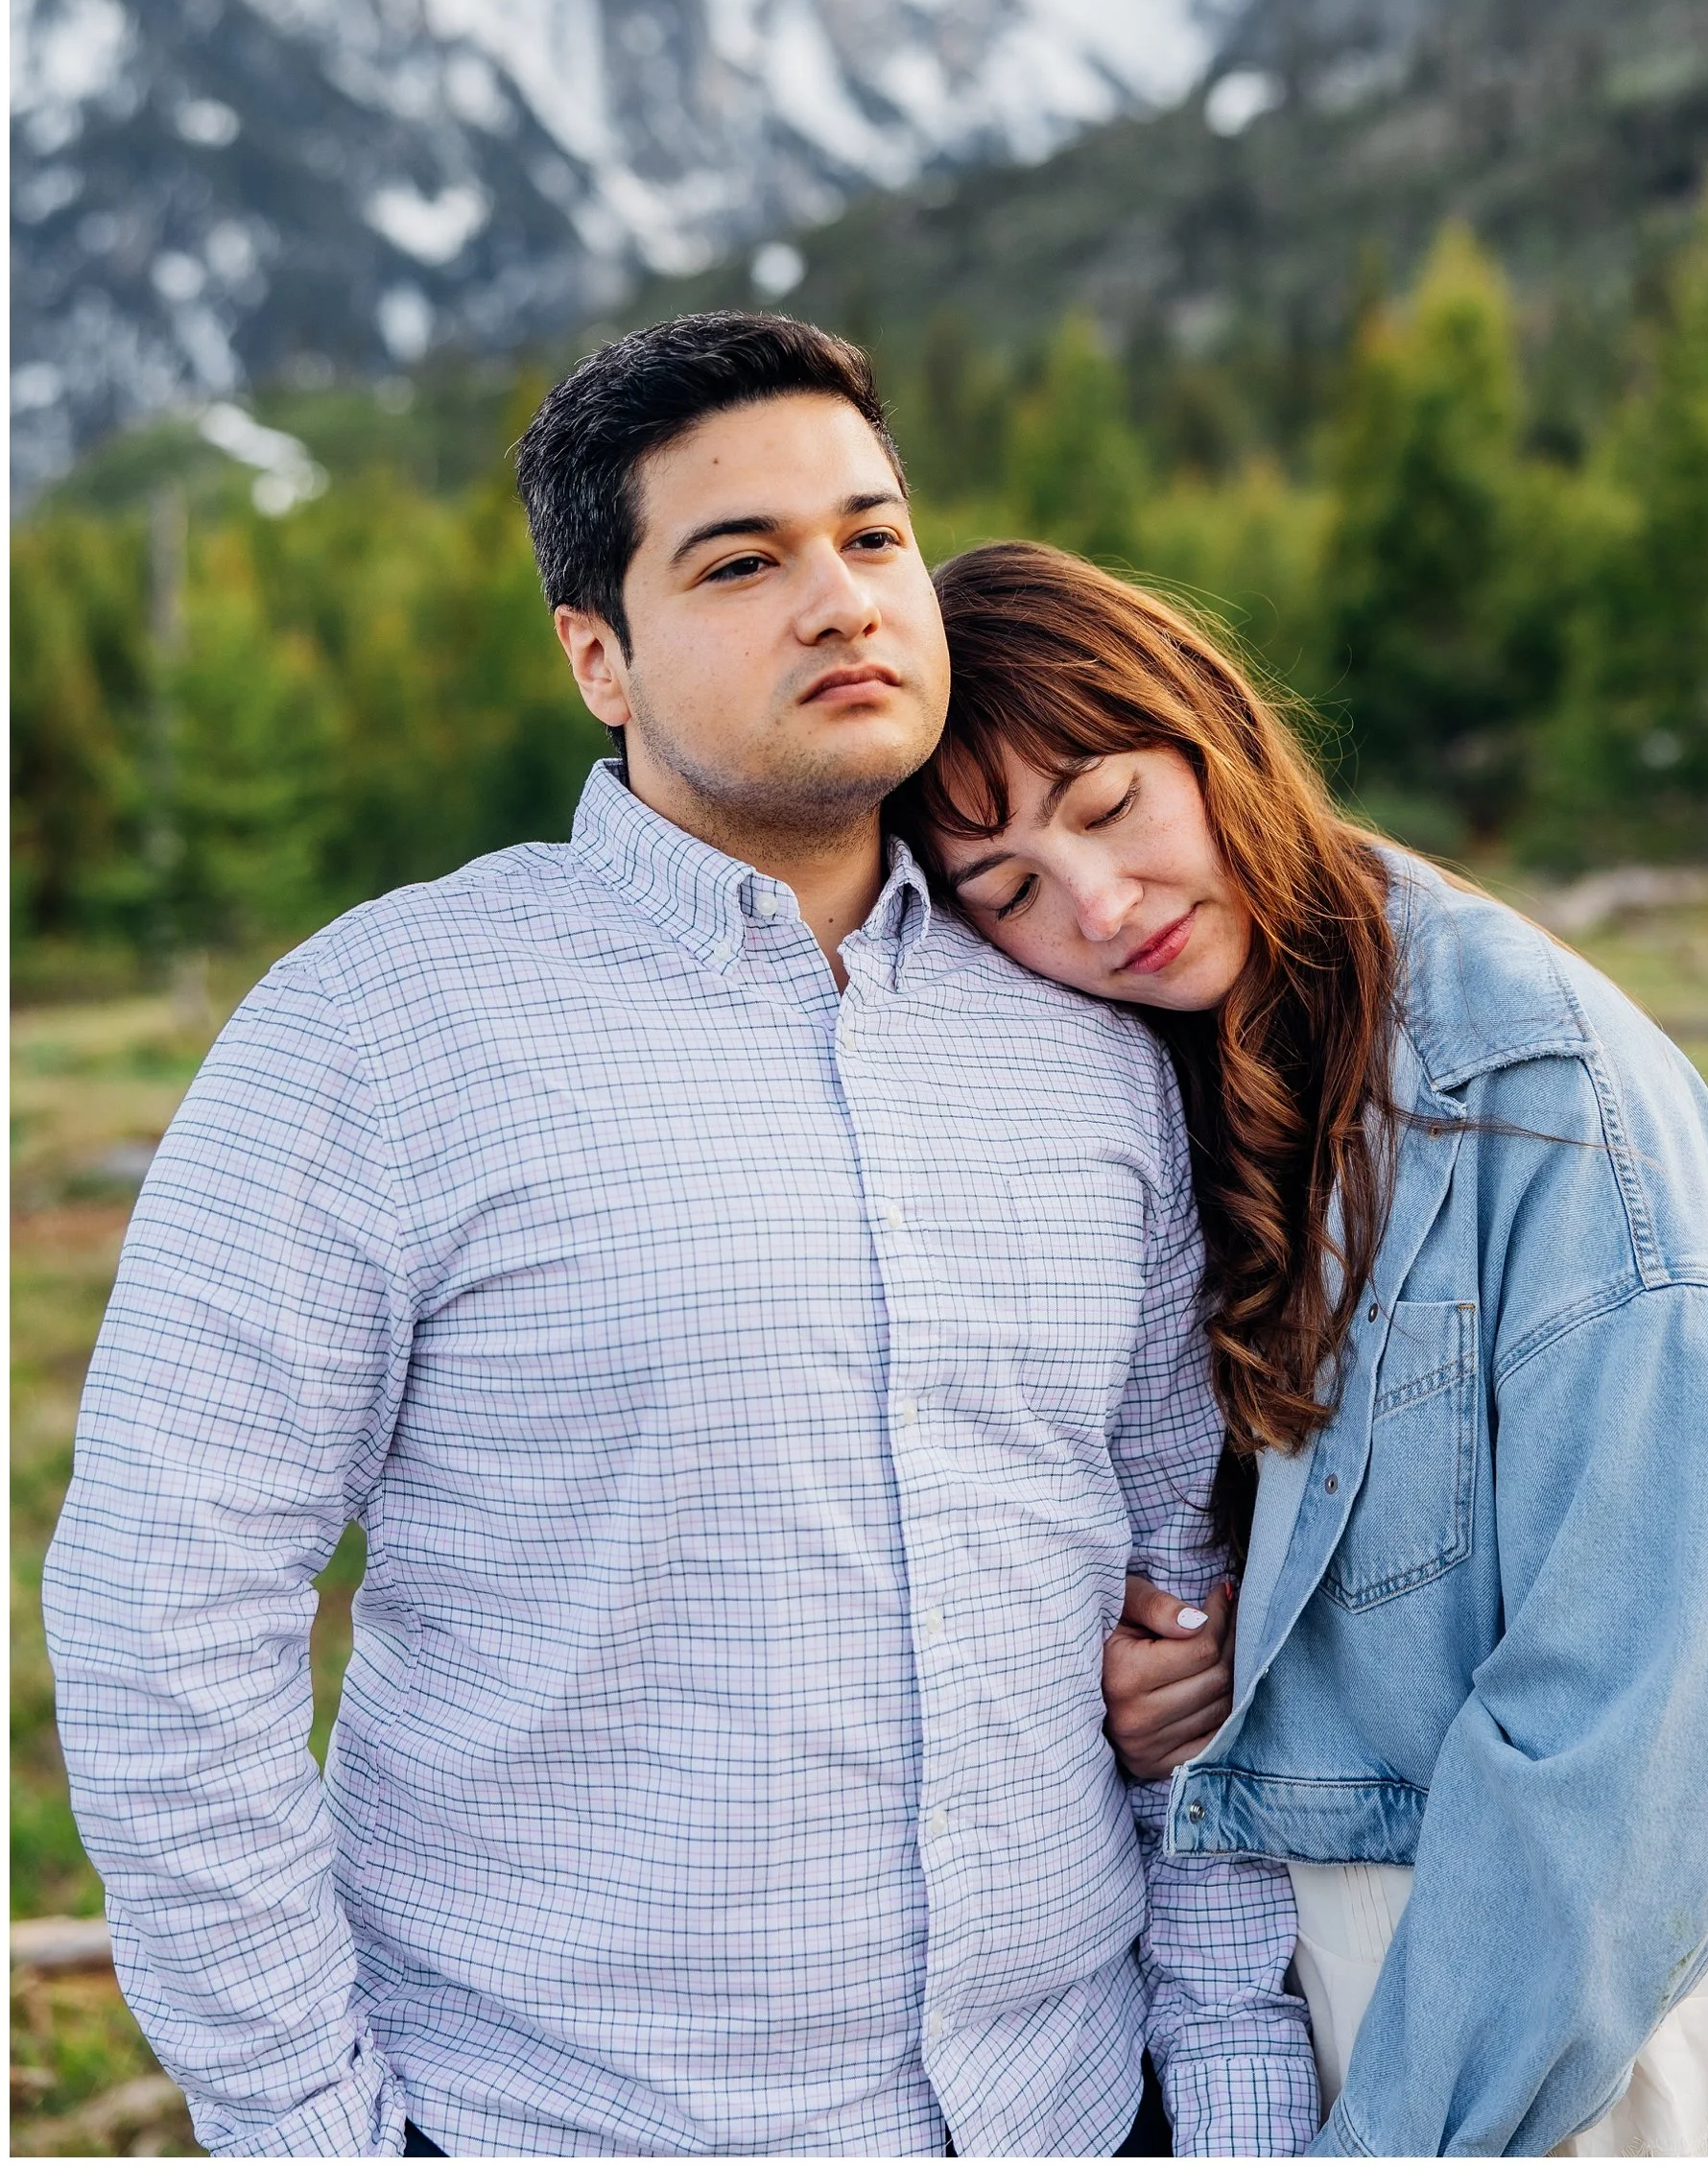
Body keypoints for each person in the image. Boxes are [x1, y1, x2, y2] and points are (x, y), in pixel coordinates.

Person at [44, 319, 1318, 2161]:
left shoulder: (1088, 1043)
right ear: (599, 658)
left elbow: (1179, 1601)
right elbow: (164, 1608)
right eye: (740, 562)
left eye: (873, 538)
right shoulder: (380, 1030)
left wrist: (1236, 2106)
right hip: (565, 2121)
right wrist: (313, 2128)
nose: (841, 602)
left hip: (1073, 2108)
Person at [898, 537, 1708, 2161]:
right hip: (1351, 2009)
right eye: (1004, 888)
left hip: (1601, 2034)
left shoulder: (1532, 1081)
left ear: (1209, 729)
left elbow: (1629, 1719)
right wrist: (1211, 1663)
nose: (1096, 904)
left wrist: (1405, 2135)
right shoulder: (1164, 1089)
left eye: (1106, 806)